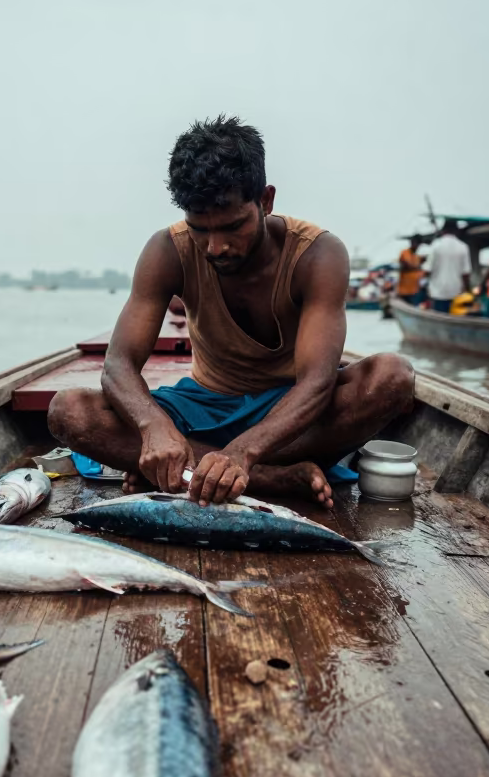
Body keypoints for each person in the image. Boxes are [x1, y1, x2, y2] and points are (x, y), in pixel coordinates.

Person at [47, 116, 413, 511]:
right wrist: (154, 429)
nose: (214, 247)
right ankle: (270, 479)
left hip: (289, 414)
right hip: (203, 406)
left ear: (266, 200)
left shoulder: (317, 255)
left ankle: (199, 472)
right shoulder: (167, 250)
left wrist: (241, 453)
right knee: (70, 412)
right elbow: (117, 365)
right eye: (199, 229)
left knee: (391, 377)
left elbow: (317, 384)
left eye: (232, 226)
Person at [423, 220, 471, 312]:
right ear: (457, 231)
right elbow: (466, 274)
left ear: (443, 230)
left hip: (438, 293)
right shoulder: (463, 247)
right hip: (456, 293)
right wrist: (468, 292)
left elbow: (427, 271)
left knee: (438, 320)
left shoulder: (436, 245)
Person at [397, 236, 425, 304]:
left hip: (415, 290)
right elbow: (405, 265)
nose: (417, 246)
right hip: (404, 290)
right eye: (415, 243)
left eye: (418, 244)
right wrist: (417, 268)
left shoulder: (417, 257)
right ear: (411, 243)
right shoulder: (404, 253)